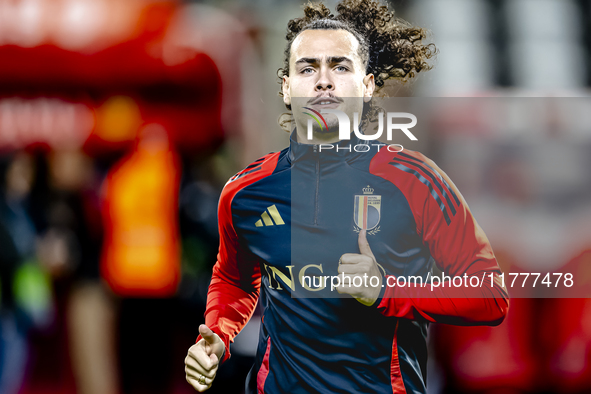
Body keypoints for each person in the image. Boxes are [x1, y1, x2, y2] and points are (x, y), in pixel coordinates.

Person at [185, 1, 509, 393]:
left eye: (340, 67)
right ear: (286, 88)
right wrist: (219, 334)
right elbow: (234, 279)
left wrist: (387, 290)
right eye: (307, 68)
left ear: (368, 86)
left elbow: (489, 295)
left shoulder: (416, 181)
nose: (323, 81)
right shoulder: (245, 192)